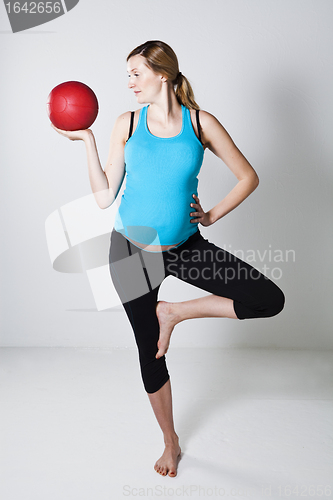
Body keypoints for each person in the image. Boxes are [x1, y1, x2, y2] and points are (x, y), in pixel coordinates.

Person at [52, 40, 285, 478]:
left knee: (267, 299)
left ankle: (173, 312)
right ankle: (170, 441)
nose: (129, 83)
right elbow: (105, 197)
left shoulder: (201, 123)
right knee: (150, 354)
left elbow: (248, 176)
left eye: (136, 73)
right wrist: (87, 140)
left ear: (163, 73)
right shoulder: (127, 123)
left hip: (186, 248)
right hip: (130, 253)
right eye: (128, 75)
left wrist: (212, 214)